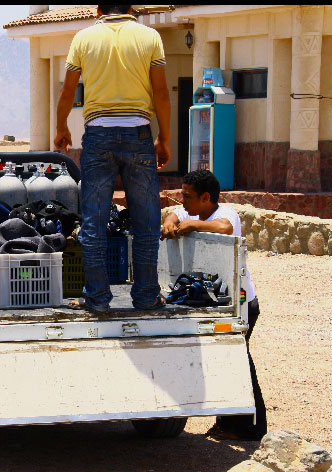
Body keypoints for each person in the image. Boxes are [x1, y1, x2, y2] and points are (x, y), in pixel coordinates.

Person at [55, 4, 171, 312]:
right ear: (131, 8)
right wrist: (165, 137)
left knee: (93, 221)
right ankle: (147, 296)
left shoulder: (83, 38)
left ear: (97, 10)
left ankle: (97, 299)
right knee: (146, 221)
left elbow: (68, 91)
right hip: (139, 133)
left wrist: (60, 128)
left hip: (98, 135)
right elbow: (161, 92)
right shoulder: (150, 37)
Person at [161, 169, 267, 440]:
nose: (182, 201)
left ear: (206, 197)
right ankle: (229, 424)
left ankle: (251, 428)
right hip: (218, 303)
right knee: (227, 361)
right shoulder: (191, 212)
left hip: (243, 304)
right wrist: (172, 221)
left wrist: (193, 226)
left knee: (240, 363)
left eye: (187, 196)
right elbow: (175, 216)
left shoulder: (226, 213)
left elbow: (225, 229)